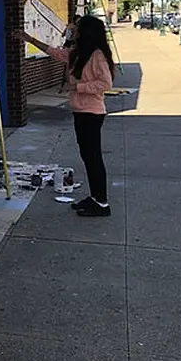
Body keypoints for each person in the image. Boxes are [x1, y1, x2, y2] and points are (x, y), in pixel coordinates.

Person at [19, 16, 115, 217]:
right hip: (81, 112)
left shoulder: (97, 55)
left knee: (93, 158)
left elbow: (106, 83)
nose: (73, 30)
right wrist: (29, 39)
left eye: (77, 28)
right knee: (88, 157)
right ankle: (96, 198)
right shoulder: (78, 53)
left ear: (86, 32)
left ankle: (102, 203)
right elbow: (54, 52)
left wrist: (77, 87)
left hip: (92, 113)